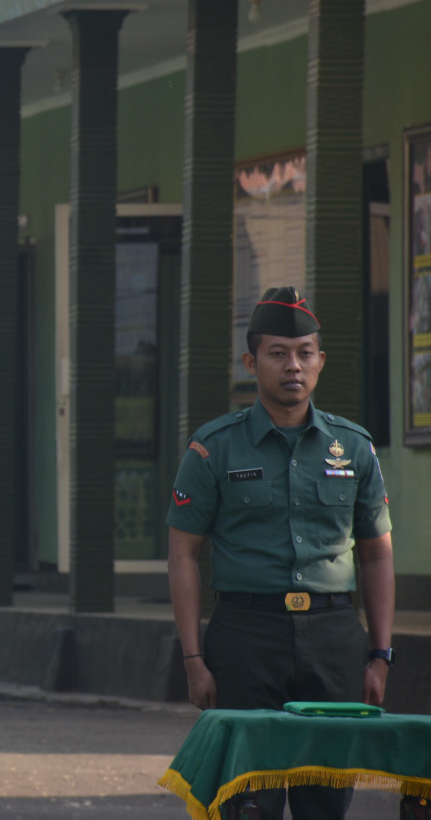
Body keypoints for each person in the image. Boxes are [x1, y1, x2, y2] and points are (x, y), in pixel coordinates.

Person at [166, 287, 395, 820]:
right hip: (245, 637)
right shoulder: (213, 448)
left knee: (326, 801)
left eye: (304, 352)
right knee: (247, 802)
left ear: (319, 360)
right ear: (251, 362)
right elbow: (183, 554)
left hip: (335, 640)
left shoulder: (354, 448)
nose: (293, 366)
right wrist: (194, 658)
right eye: (277, 353)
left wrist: (380, 655)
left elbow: (377, 554)